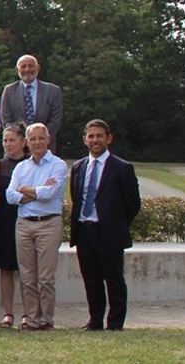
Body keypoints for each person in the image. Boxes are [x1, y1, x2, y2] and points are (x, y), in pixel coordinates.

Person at [70, 119, 140, 331]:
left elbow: (133, 203)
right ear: (85, 140)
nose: (95, 140)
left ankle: (116, 323)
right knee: (91, 280)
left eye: (99, 135)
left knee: (114, 280)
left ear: (109, 138)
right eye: (91, 136)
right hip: (85, 231)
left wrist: (115, 224)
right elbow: (76, 198)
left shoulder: (122, 168)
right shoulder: (78, 167)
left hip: (109, 233)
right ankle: (95, 321)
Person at [5, 122, 67, 331]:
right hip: (24, 225)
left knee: (46, 277)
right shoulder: (22, 167)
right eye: (33, 139)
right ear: (27, 142)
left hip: (48, 223)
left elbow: (50, 194)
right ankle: (31, 318)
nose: (37, 142)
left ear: (48, 139)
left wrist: (26, 190)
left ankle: (46, 319)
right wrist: (36, 191)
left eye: (41, 138)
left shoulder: (57, 165)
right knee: (28, 277)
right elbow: (10, 196)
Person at [0, 124, 28, 329]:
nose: (8, 144)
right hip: (3, 218)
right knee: (6, 269)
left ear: (23, 141)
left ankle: (28, 313)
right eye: (5, 140)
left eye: (12, 140)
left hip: (25, 217)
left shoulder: (31, 164)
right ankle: (8, 313)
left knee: (26, 269)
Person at [0, 55, 64, 144]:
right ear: (17, 69)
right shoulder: (9, 91)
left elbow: (55, 121)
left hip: (44, 145)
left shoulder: (53, 91)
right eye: (23, 67)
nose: (27, 69)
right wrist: (23, 139)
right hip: (17, 148)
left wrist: (38, 138)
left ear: (37, 67)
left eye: (30, 66)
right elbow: (6, 121)